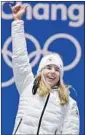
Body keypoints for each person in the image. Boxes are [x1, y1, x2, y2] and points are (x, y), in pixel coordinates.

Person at [11, 4, 80, 135]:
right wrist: (17, 22)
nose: (52, 72)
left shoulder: (69, 104)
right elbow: (19, 57)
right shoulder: (28, 87)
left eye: (56, 69)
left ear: (60, 75)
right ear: (41, 71)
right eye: (48, 67)